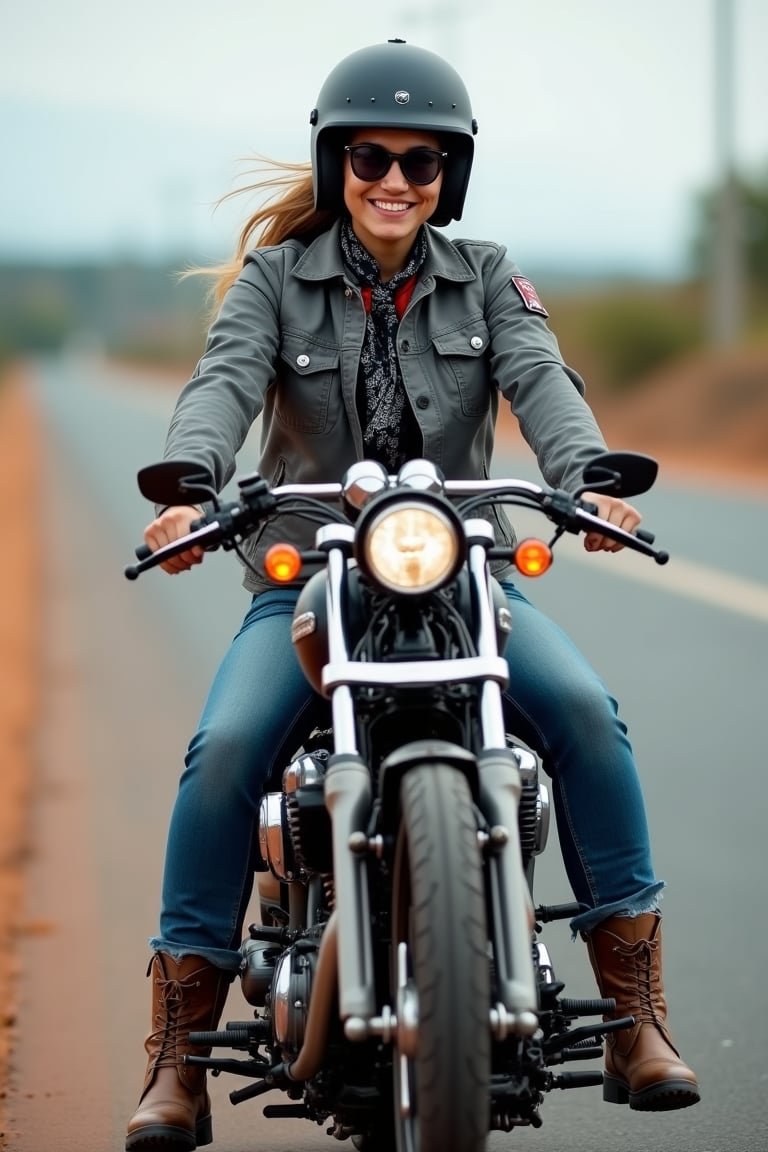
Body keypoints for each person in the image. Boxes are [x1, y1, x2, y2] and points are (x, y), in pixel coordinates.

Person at [125, 39, 699, 1152]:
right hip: (314, 584)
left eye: (421, 163)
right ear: (337, 161)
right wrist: (191, 487)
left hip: (465, 577)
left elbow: (543, 380)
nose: (396, 180)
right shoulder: (273, 283)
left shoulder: (485, 275)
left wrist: (588, 483)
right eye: (372, 158)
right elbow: (223, 383)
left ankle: (633, 1018)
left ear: (452, 176)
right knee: (225, 748)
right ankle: (177, 1061)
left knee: (586, 715)